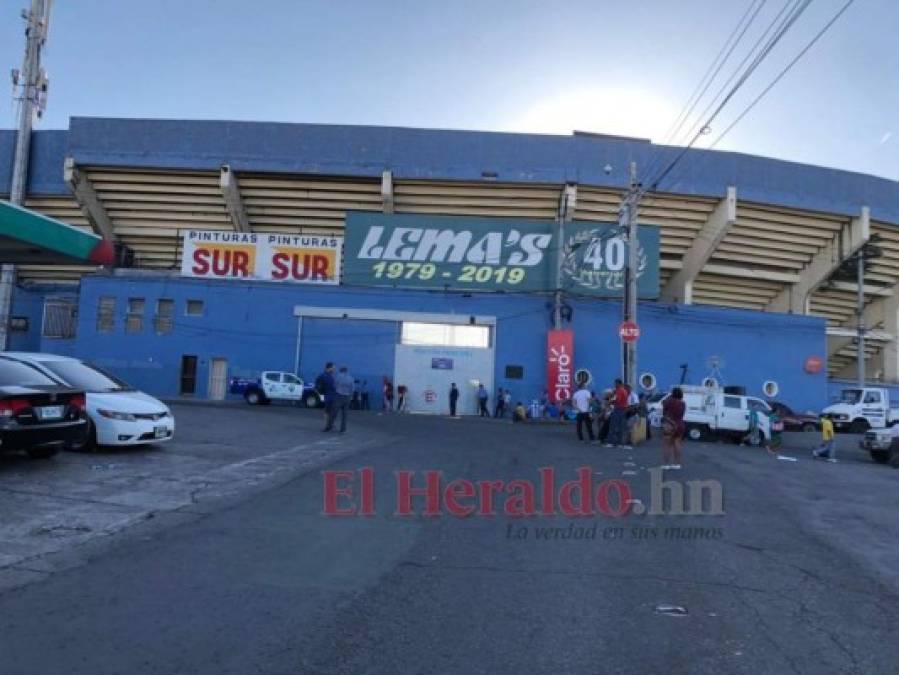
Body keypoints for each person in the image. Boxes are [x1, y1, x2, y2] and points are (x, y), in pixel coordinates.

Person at [661, 386, 686, 469]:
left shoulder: (668, 402)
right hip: (680, 424)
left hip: (669, 424)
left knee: (667, 445)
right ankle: (677, 464)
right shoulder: (683, 403)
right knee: (677, 443)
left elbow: (664, 413)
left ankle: (666, 464)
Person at [606, 379, 630, 448]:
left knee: (613, 426)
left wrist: (609, 402)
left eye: (615, 383)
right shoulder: (624, 391)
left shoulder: (619, 391)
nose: (614, 385)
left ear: (619, 383)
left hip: (618, 409)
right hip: (623, 410)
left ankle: (611, 443)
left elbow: (617, 400)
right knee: (620, 427)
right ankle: (619, 443)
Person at [333, 366, 354, 432]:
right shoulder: (351, 378)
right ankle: (343, 428)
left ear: (340, 370)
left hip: (339, 396)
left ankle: (330, 425)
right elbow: (352, 389)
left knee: (335, 411)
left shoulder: (338, 376)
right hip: (347, 397)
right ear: (346, 370)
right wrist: (350, 396)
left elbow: (335, 385)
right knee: (345, 414)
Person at [318, 362, 337, 432]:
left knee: (331, 411)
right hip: (328, 396)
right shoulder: (324, 375)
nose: (334, 369)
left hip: (332, 396)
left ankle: (330, 424)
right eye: (333, 367)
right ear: (329, 368)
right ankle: (327, 426)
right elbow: (318, 385)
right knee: (327, 411)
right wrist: (321, 391)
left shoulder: (331, 375)